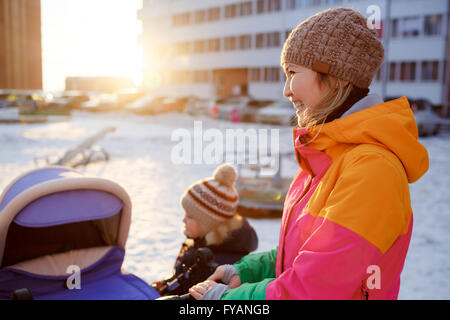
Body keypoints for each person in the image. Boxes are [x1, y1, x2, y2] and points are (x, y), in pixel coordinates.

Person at [189, 7, 429, 300]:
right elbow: (305, 251)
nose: (286, 91)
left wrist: (224, 301)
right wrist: (249, 270)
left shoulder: (372, 170)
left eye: (292, 73)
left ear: (337, 76)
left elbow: (312, 290)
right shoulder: (327, 157)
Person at [152, 163, 258, 296]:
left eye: (190, 216)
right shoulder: (198, 242)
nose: (183, 220)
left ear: (207, 223)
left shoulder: (218, 265)